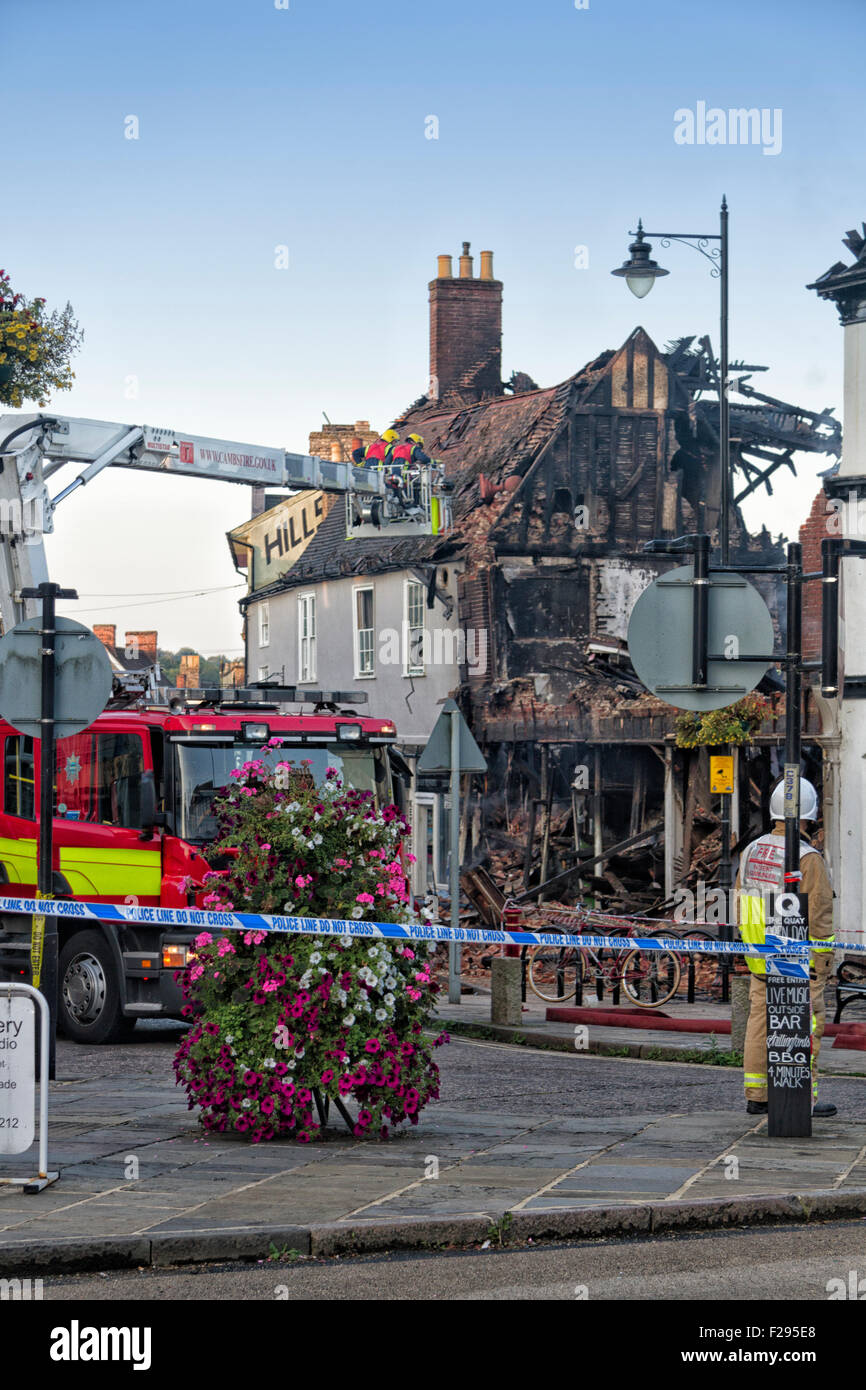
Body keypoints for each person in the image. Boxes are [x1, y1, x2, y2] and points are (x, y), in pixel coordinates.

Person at [737, 777, 837, 1118]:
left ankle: (758, 1094)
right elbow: (820, 916)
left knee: (759, 1023)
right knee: (806, 1025)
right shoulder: (808, 858)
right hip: (797, 961)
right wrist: (821, 964)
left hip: (759, 957)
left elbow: (742, 902)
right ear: (808, 816)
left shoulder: (751, 850)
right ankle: (802, 1098)